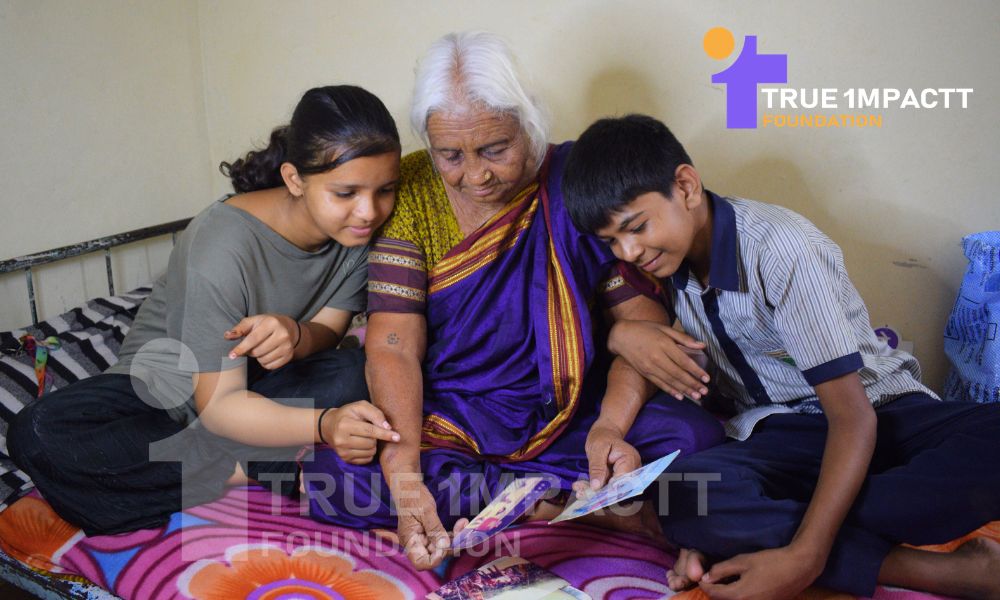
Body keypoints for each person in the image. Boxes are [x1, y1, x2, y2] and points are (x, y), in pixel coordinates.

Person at [301, 32, 724, 571]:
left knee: (695, 436)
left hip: (574, 409)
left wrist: (608, 428)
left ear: (529, 123)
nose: (475, 174)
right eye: (450, 155)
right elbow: (394, 344)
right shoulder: (410, 191)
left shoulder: (573, 178)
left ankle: (530, 497)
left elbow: (642, 325)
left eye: (495, 149)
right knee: (335, 474)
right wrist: (405, 479)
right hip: (456, 416)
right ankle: (570, 504)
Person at [561, 113, 1000, 600]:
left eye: (636, 227)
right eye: (611, 241)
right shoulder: (667, 262)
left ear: (685, 186)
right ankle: (938, 571)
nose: (629, 251)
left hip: (878, 414)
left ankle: (777, 531)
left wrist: (803, 558)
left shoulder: (782, 249)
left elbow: (853, 419)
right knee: (682, 493)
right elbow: (648, 345)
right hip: (784, 437)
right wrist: (620, 341)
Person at [9, 85, 403, 535]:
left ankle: (160, 477)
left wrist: (297, 335)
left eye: (385, 190)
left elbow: (330, 331)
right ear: (294, 179)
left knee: (358, 368)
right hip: (163, 395)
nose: (368, 211)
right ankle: (254, 467)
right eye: (346, 193)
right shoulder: (221, 245)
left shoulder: (358, 239)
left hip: (258, 388)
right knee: (38, 433)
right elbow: (218, 406)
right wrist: (325, 424)